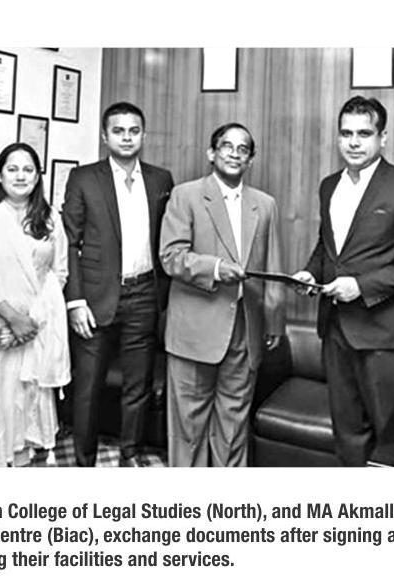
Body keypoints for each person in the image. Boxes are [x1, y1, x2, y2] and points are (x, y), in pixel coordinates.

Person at [292, 96, 394, 466]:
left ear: (382, 138)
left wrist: (361, 286)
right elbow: (328, 248)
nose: (354, 142)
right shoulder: (329, 186)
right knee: (347, 436)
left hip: (385, 338)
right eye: (346, 134)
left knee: (393, 442)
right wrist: (312, 272)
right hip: (335, 332)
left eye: (364, 134)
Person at [160, 122, 285, 467]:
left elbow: (273, 263)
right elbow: (171, 257)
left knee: (233, 427)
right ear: (211, 154)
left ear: (250, 160)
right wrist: (215, 269)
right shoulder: (185, 195)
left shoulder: (265, 204)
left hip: (245, 331)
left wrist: (274, 321)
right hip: (194, 330)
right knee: (188, 428)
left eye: (243, 149)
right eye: (227, 146)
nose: (234, 153)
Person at [61, 102, 174, 467]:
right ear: (105, 136)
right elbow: (69, 242)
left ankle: (130, 454)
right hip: (94, 298)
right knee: (88, 387)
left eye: (134, 131)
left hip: (144, 295)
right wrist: (75, 301)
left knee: (137, 386)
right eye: (119, 131)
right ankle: (84, 461)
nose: (127, 137)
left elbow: (168, 239)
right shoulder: (83, 178)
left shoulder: (161, 180)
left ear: (144, 135)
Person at [0, 143, 70, 467]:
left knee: (28, 399)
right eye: (13, 169)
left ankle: (22, 461)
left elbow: (59, 272)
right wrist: (12, 319)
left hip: (37, 325)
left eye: (28, 170)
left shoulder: (50, 217)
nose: (20, 176)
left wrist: (32, 320)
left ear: (37, 177)